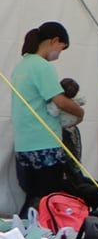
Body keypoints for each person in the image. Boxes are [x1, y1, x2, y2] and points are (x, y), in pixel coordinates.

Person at [10, 22, 83, 212]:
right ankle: (44, 238)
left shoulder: (21, 67)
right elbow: (59, 100)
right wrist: (79, 112)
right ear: (54, 41)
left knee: (32, 198)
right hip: (45, 145)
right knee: (49, 200)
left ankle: (25, 235)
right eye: (61, 48)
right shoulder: (43, 67)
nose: (59, 54)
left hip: (23, 144)